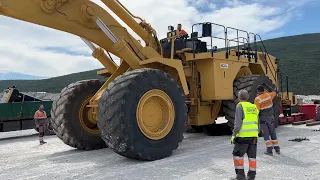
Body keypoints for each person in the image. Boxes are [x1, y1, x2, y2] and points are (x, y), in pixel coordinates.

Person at [231, 89, 260, 180]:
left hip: (243, 137)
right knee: (252, 157)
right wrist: (256, 133)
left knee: (237, 155)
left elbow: (238, 124)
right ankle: (251, 176)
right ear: (247, 97)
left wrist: (234, 135)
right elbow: (258, 123)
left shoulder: (240, 106)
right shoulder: (254, 107)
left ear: (239, 97)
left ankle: (240, 176)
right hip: (253, 137)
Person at [254, 83, 280, 155]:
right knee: (273, 133)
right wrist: (267, 85)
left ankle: (269, 150)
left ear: (258, 91)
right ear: (264, 90)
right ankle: (277, 149)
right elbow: (275, 91)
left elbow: (256, 111)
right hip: (271, 117)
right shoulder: (269, 95)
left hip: (263, 119)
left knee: (266, 134)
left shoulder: (257, 99)